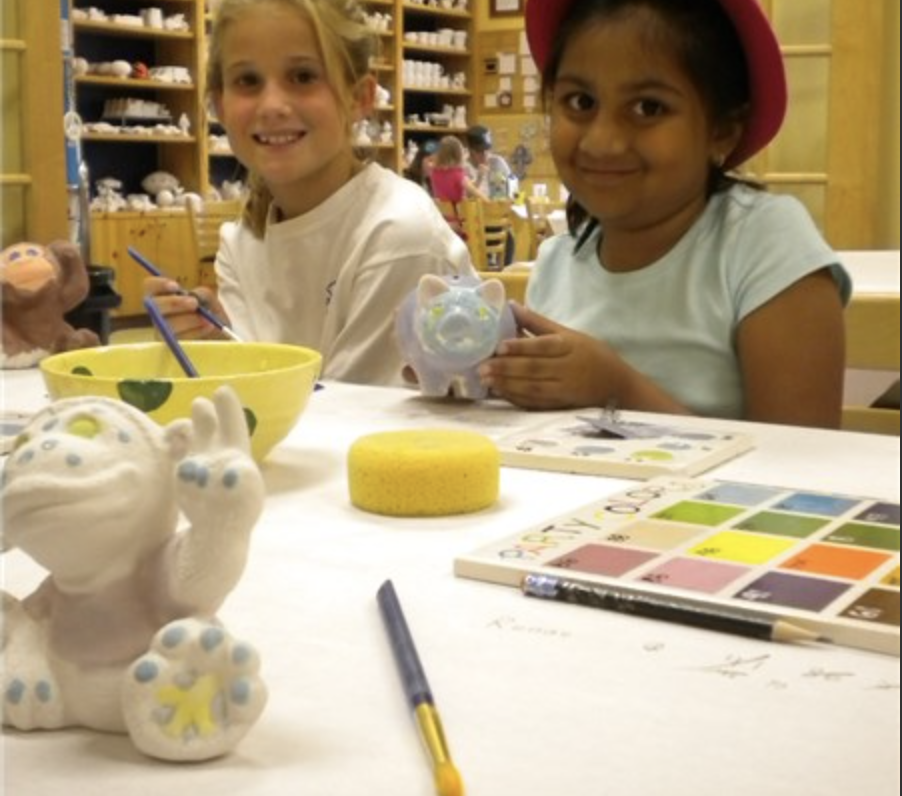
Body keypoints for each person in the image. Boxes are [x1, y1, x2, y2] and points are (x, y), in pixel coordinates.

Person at [479, 0, 850, 429]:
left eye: (648, 108)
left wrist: (618, 390)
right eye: (580, 102)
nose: (602, 141)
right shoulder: (556, 262)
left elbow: (802, 457)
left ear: (722, 131)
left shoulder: (766, 244)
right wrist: (477, 376)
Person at [144, 0, 474, 386]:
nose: (272, 106)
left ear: (359, 98)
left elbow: (349, 413)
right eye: (248, 81)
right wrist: (214, 344)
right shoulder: (241, 241)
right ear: (219, 105)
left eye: (303, 76)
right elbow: (258, 386)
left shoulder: (399, 233)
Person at [430, 135, 488, 203]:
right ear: (458, 154)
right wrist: (491, 203)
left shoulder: (434, 172)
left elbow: (467, 188)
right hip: (459, 209)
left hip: (443, 209)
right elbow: (478, 194)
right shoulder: (457, 174)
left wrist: (479, 178)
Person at [465, 125, 515, 200]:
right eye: (480, 151)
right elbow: (464, 199)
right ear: (470, 150)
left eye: (487, 149)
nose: (485, 154)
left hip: (499, 205)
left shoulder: (498, 162)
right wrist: (479, 178)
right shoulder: (462, 168)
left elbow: (514, 189)